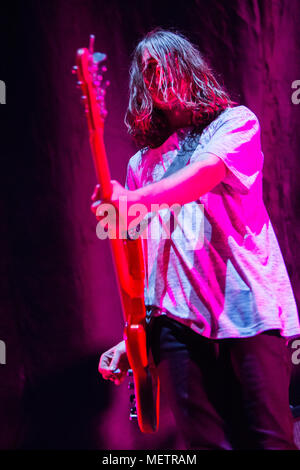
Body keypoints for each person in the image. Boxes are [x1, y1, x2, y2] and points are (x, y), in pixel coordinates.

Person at [91, 29, 300, 450]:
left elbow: (203, 174)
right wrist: (132, 338)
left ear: (189, 68)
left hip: (248, 315)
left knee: (269, 441)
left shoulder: (235, 124)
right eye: (147, 70)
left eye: (165, 63)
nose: (157, 75)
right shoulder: (140, 166)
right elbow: (151, 268)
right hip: (179, 329)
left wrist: (134, 200)